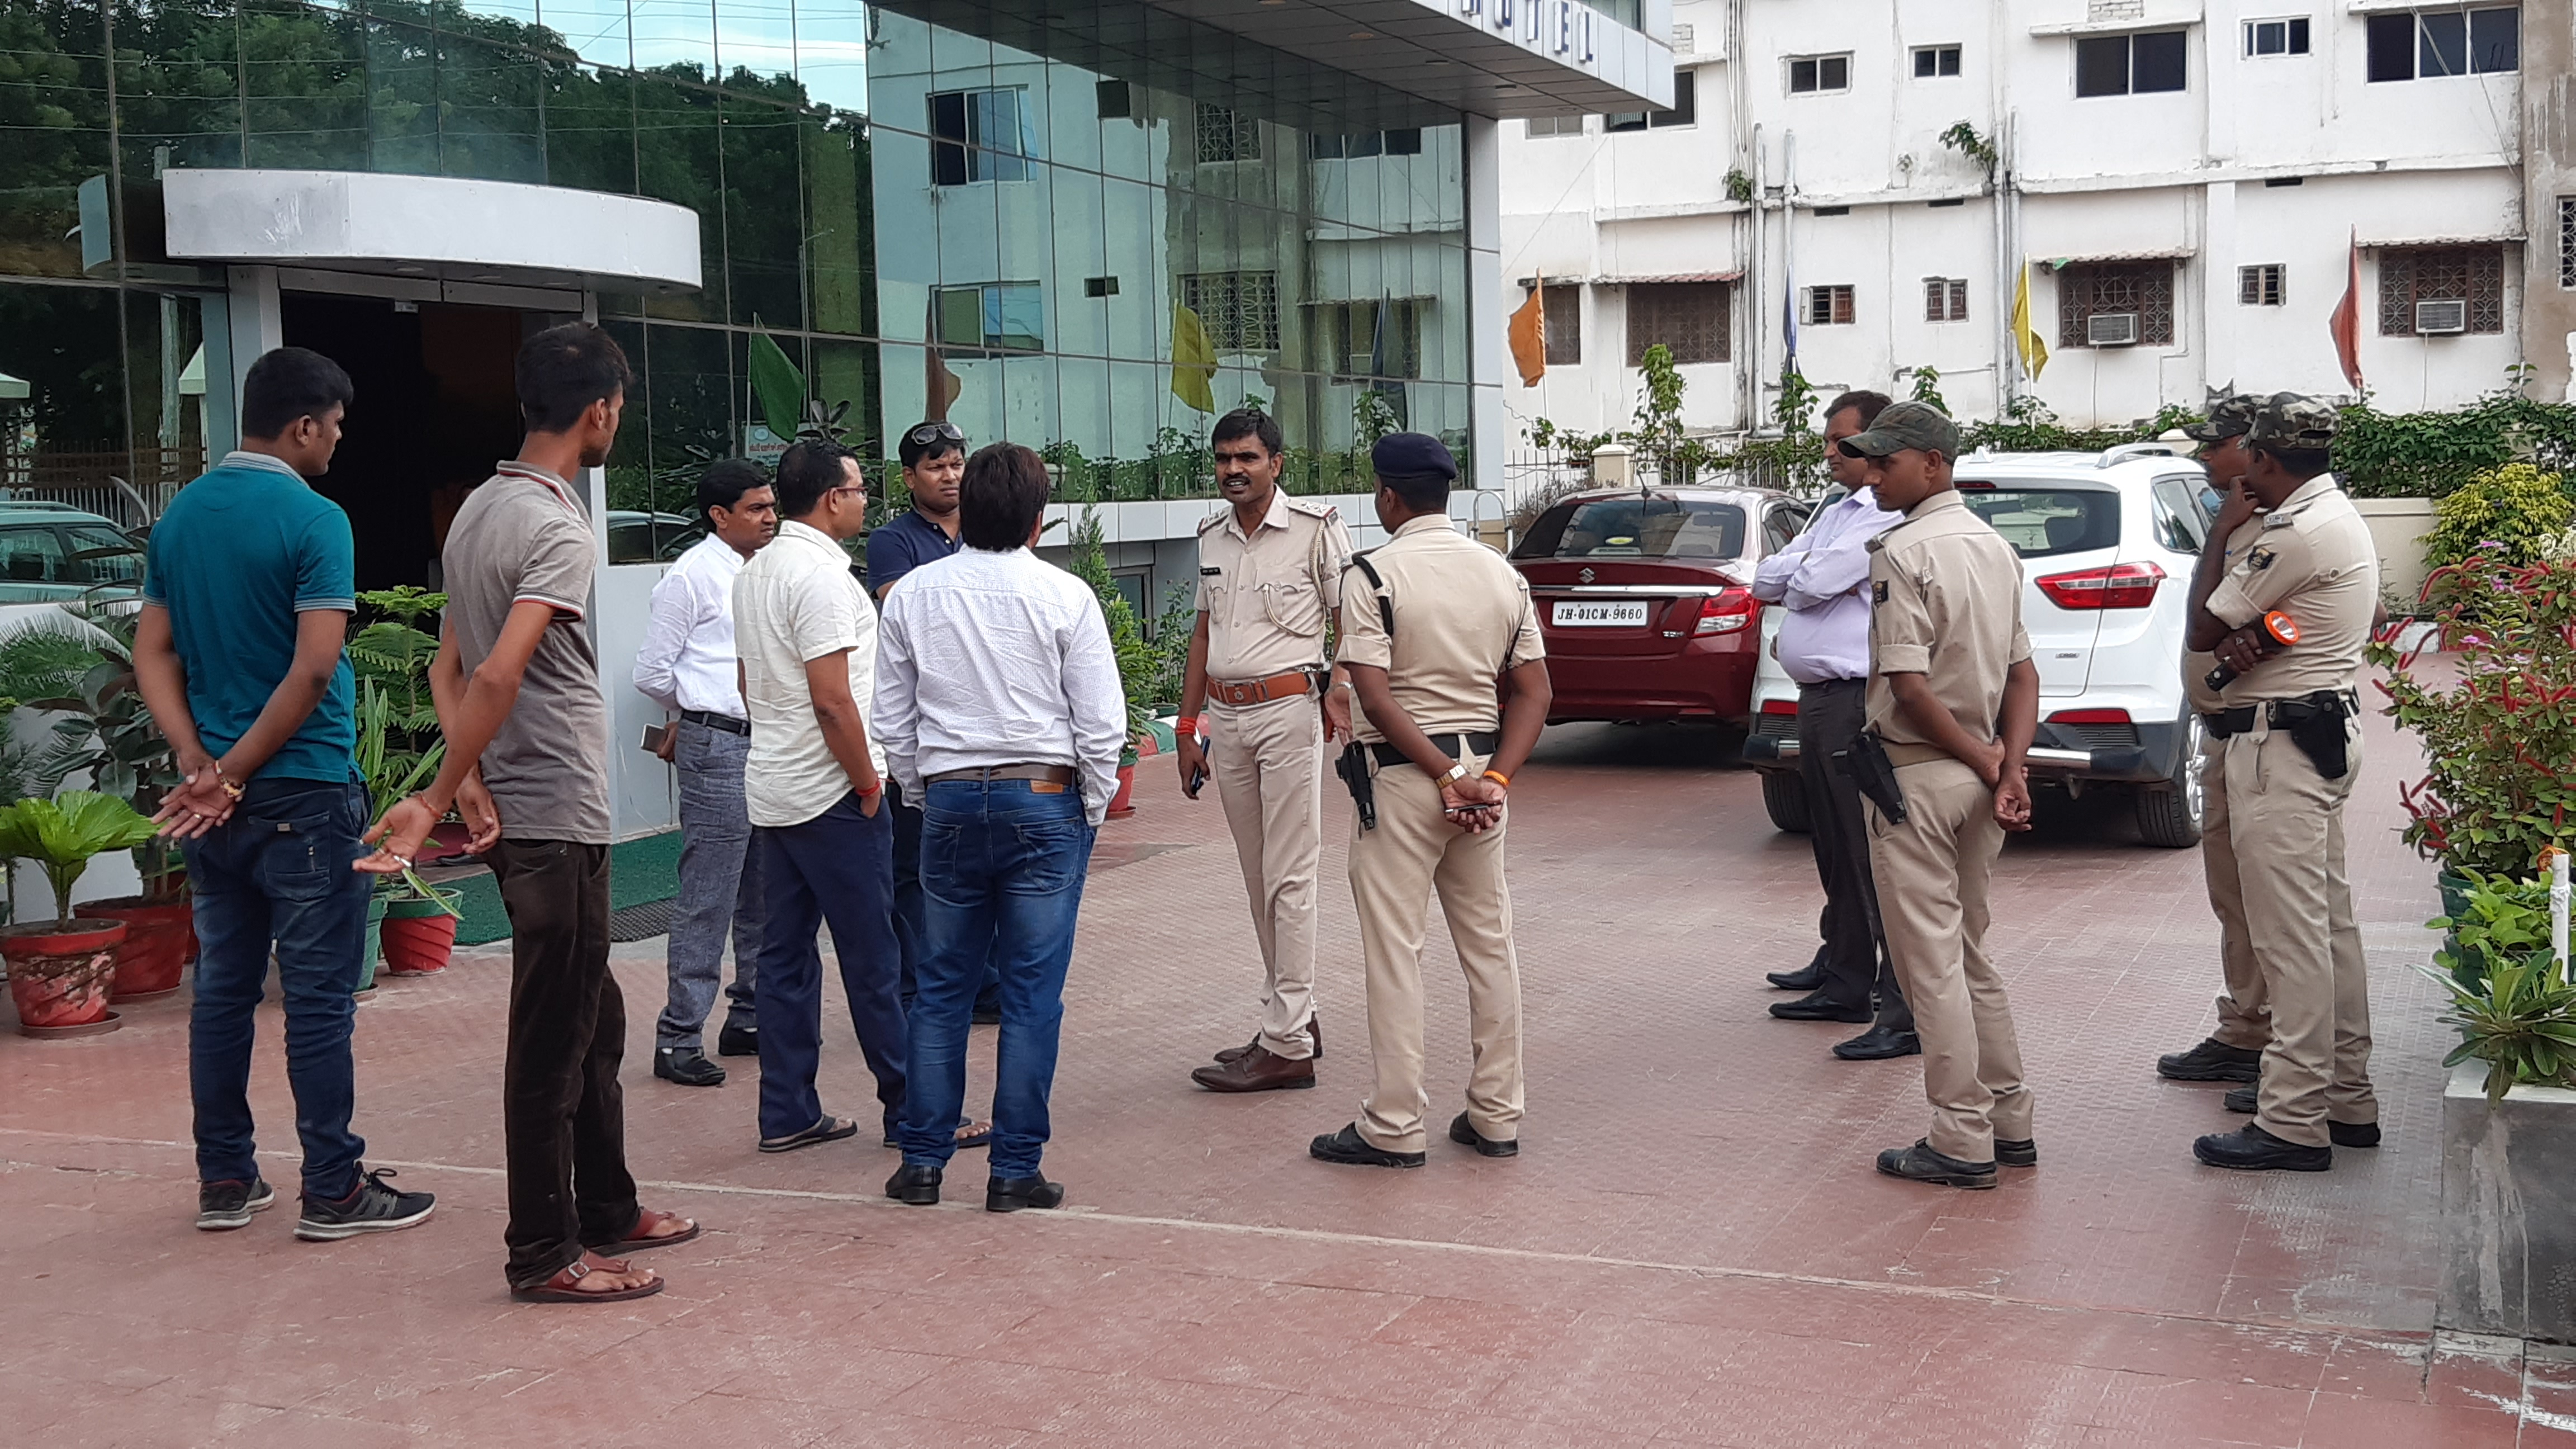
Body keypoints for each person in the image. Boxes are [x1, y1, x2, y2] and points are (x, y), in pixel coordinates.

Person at [363, 323, 697, 1304]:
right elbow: (497, 669)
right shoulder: (554, 526)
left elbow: (445, 665)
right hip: (552, 809)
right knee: (553, 1035)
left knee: (594, 1018)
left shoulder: (478, 508)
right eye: (619, 412)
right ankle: (542, 1249)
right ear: (598, 410)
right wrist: (434, 795)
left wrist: (466, 781)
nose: (616, 426)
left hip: (526, 804)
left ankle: (608, 1206)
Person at [132, 345, 437, 1242]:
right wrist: (232, 774)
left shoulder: (180, 518)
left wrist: (202, 762)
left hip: (217, 803)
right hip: (302, 790)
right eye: (335, 428)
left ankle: (225, 1179)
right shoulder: (315, 519)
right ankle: (334, 1189)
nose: (339, 443)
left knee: (224, 990)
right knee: (316, 998)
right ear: (304, 426)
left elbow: (155, 653)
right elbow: (313, 670)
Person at [876, 442, 1124, 1212]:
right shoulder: (1065, 595)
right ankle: (1015, 1170)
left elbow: (891, 716)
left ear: (965, 512)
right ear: (1038, 520)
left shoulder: (913, 594)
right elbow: (1101, 720)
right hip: (1043, 798)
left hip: (950, 799)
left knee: (941, 989)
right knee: (1029, 995)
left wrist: (922, 793)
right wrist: (1088, 808)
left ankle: (922, 1162)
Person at [1310, 433, 1551, 1169]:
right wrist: (1492, 780)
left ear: (1388, 495)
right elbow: (1535, 692)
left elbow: (1376, 698)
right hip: (1482, 775)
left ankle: (1393, 1122)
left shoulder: (1374, 574)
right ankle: (1497, 1115)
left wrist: (1444, 777)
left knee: (1395, 953)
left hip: (1408, 778)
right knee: (1490, 948)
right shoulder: (1501, 575)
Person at [1842, 400, 2042, 1191]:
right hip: (1978, 772)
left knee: (1930, 966)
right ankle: (2010, 1118)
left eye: (1886, 462)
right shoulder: (1994, 547)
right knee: (1971, 954)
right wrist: (2007, 766)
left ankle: (1961, 1136)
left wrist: (1991, 763)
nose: (1874, 475)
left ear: (1933, 463)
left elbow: (1912, 690)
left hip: (1920, 773)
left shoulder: (1903, 552)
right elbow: (2024, 675)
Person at [2186, 394, 2381, 1172]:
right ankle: (2344, 1096)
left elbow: (2206, 628)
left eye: (2248, 468)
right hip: (2313, 732)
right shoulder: (2335, 517)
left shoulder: (2295, 534)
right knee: (2329, 929)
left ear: (2264, 459)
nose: (2240, 484)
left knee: (2291, 940)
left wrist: (2220, 534)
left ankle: (2294, 1119)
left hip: (2283, 746)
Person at [732, 439, 910, 1155]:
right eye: (861, 490)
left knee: (783, 958)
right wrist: (868, 780)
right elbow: (834, 699)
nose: (866, 501)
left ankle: (788, 1110)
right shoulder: (825, 579)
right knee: (875, 958)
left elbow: (750, 684)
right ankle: (911, 1109)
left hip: (776, 788)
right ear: (833, 498)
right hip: (835, 793)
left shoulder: (757, 570)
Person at [1175, 408, 1355, 1092]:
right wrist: (1188, 727)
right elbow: (1201, 636)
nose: (1233, 471)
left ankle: (1286, 1045)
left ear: (1276, 464)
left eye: (1246, 458)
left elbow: (1350, 622)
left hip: (1288, 713)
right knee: (1258, 878)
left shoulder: (1316, 530)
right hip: (1228, 719)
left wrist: (1339, 689)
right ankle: (1295, 1018)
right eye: (1223, 459)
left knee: (1291, 876)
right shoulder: (1210, 538)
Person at [1750, 389, 1918, 1062]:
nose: (1829, 454)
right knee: (1830, 840)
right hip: (1817, 696)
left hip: (1855, 695)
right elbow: (1770, 576)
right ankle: (1844, 970)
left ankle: (1890, 990)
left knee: (1866, 846)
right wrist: (1807, 573)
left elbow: (1816, 581)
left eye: (1842, 443)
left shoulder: (1881, 515)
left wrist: (1807, 574)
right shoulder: (1838, 509)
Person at [632, 459, 777, 1087]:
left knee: (763, 890)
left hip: (768, 743)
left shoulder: (769, 570)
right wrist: (695, 710)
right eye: (756, 508)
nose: (771, 517)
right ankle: (678, 1037)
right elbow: (652, 672)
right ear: (720, 516)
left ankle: (749, 1015)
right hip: (717, 744)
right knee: (709, 894)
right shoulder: (690, 578)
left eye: (773, 505)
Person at [868, 420, 1000, 1025]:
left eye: (956, 463)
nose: (950, 475)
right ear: (909, 478)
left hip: (987, 727)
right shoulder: (894, 541)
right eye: (936, 466)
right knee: (917, 870)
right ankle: (920, 986)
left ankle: (986, 985)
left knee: (985, 866)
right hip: (923, 731)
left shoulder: (986, 532)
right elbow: (906, 611)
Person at [2156, 394, 2270, 1090]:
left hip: (2268, 736)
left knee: (2273, 903)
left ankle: (2288, 1048)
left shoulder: (2281, 520)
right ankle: (2247, 1030)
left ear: (2253, 448)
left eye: (2214, 444)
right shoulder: (2233, 514)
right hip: (2224, 733)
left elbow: (2358, 611)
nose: (2202, 455)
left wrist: (2272, 634)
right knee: (2233, 897)